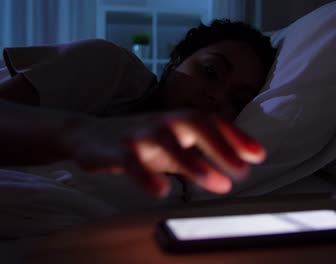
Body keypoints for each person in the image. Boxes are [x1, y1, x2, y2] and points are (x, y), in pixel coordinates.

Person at [0, 19, 277, 198]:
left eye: (236, 100)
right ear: (173, 63)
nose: (216, 98)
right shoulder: (109, 66)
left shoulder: (175, 169)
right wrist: (81, 133)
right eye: (210, 72)